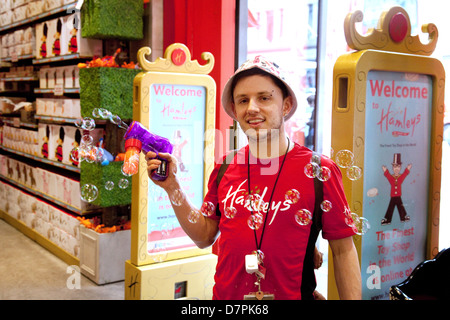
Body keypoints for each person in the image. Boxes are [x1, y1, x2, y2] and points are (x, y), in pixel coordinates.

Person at [145, 56, 361, 300]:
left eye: (264, 98)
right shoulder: (225, 167)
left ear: (286, 105)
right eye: (243, 100)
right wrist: (172, 187)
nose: (252, 108)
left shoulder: (320, 171)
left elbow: (343, 252)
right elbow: (204, 236)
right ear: (235, 111)